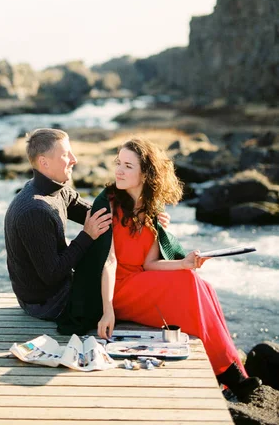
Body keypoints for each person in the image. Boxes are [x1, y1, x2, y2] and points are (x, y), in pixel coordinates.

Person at [93, 137, 261, 400]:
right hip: (115, 287)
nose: (119, 171)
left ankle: (233, 371)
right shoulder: (109, 203)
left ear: (146, 174)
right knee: (187, 284)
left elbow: (149, 264)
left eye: (128, 165)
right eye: (118, 163)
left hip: (139, 280)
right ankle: (229, 374)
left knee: (199, 283)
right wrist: (107, 310)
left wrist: (183, 262)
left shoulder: (152, 211)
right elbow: (108, 261)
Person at [4, 128, 170, 325]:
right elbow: (52, 275)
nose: (74, 159)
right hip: (49, 303)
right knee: (132, 293)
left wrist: (145, 217)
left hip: (59, 288)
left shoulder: (57, 190)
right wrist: (86, 236)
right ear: (44, 162)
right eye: (66, 155)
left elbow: (100, 216)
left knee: (126, 283)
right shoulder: (35, 210)